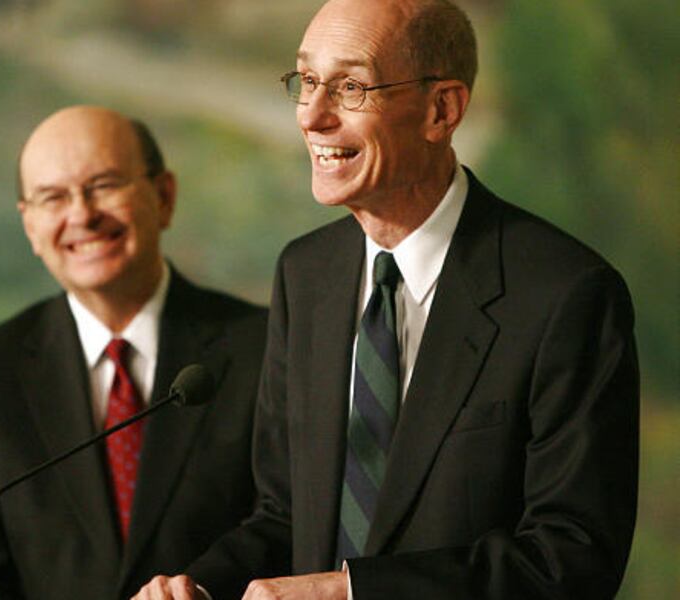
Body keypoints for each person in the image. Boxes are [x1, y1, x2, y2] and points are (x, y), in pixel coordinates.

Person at [134, 0, 639, 598]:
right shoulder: (306, 274)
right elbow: (286, 515)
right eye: (308, 81)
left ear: (441, 109)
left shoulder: (567, 296)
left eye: (349, 86)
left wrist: (351, 593)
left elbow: (572, 562)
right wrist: (203, 587)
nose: (312, 117)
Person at [0, 106, 268, 600]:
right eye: (53, 197)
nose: (81, 214)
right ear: (30, 226)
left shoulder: (265, 345)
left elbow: (292, 524)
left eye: (104, 185)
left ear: (164, 196)